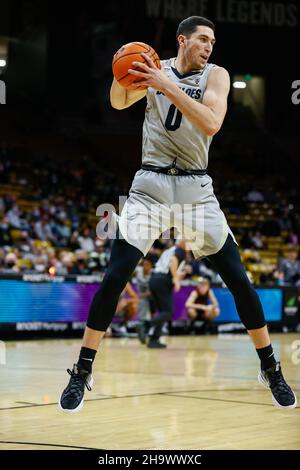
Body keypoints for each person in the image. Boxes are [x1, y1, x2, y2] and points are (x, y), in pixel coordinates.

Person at [59, 16, 296, 412]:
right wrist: (126, 71)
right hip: (149, 185)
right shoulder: (155, 67)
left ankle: (270, 367)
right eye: (203, 40)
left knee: (238, 279)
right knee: (115, 275)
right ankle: (82, 371)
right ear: (182, 41)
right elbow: (118, 103)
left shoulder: (216, 76)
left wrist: (164, 85)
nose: (209, 47)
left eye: (213, 41)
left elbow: (211, 123)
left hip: (195, 190)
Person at [140, 239, 186, 348]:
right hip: (163, 281)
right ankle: (144, 325)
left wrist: (178, 275)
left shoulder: (168, 250)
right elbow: (173, 261)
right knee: (168, 313)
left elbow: (168, 265)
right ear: (181, 241)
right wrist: (176, 279)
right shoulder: (180, 250)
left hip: (154, 279)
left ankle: (154, 340)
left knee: (162, 312)